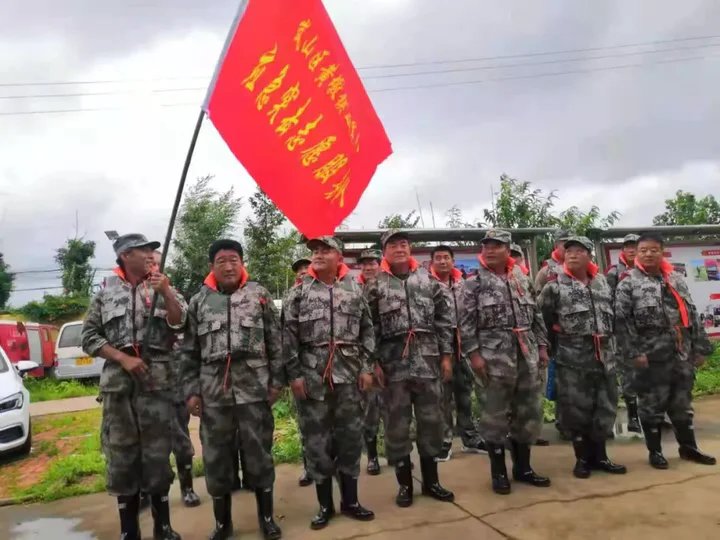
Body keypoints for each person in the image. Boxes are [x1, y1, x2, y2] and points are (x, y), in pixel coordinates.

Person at [81, 233, 186, 540]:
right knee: (122, 457)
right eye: (144, 251)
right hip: (119, 390)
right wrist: (122, 359)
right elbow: (89, 338)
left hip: (156, 386)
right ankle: (129, 530)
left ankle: (163, 526)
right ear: (126, 255)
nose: (151, 256)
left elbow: (181, 323)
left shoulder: (162, 286)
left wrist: (166, 293)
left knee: (157, 455)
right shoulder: (105, 295)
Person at [180, 239, 284, 540]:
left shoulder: (259, 295)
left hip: (255, 390)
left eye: (234, 259)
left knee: (259, 454)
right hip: (214, 393)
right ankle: (223, 523)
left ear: (242, 263)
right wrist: (191, 391)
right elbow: (188, 351)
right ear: (212, 266)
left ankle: (266, 518)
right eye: (222, 260)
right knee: (216, 458)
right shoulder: (199, 301)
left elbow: (276, 342)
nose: (228, 266)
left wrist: (277, 381)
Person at [283, 236, 375, 530]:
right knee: (317, 443)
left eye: (325, 250)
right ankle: (325, 505)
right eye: (315, 251)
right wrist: (294, 374)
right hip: (312, 379)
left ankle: (351, 501)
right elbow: (287, 339)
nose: (318, 255)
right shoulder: (298, 294)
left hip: (349, 377)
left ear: (339, 256)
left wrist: (367, 367)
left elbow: (368, 331)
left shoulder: (355, 290)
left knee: (350, 438)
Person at [364, 230, 455, 508]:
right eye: (393, 244)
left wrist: (446, 356)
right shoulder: (375, 285)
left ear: (410, 248)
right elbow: (368, 328)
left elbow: (444, 320)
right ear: (385, 251)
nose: (399, 248)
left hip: (427, 362)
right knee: (396, 426)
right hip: (392, 368)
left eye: (404, 243)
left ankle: (431, 482)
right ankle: (404, 484)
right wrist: (373, 362)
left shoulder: (428, 280)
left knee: (432, 422)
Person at [460, 229, 551, 495]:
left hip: (526, 355)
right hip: (492, 358)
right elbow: (465, 324)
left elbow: (535, 316)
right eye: (486, 246)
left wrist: (543, 346)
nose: (490, 250)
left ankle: (523, 468)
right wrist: (474, 355)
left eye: (496, 245)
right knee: (494, 416)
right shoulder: (473, 282)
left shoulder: (521, 278)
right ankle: (499, 473)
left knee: (528, 413)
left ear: (508, 249)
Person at [615, 232, 716, 469]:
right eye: (643, 250)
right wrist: (634, 353)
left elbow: (691, 315)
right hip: (650, 356)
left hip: (680, 354)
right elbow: (622, 322)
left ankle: (689, 448)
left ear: (662, 252)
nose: (648, 254)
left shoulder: (676, 279)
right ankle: (656, 452)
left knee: (682, 404)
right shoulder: (628, 283)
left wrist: (699, 348)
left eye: (653, 250)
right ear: (636, 254)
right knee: (651, 406)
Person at [538, 236, 627, 479]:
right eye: (569, 252)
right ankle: (581, 460)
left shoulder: (601, 283)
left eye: (579, 251)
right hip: (572, 360)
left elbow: (614, 319)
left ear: (589, 255)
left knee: (605, 407)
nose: (573, 255)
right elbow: (542, 322)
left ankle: (601, 456)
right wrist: (546, 350)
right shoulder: (554, 286)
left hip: (604, 358)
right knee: (576, 411)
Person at [149, 251, 201, 509]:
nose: (153, 267)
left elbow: (183, 326)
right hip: (142, 383)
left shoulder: (174, 295)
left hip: (173, 379)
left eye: (158, 263)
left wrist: (166, 292)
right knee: (145, 440)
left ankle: (188, 487)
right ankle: (147, 490)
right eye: (149, 263)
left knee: (179, 435)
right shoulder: (128, 296)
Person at [429, 244, 486, 460]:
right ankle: (444, 441)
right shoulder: (426, 285)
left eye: (446, 258)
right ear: (432, 262)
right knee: (442, 397)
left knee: (464, 394)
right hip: (439, 348)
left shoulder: (464, 284)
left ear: (453, 261)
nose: (443, 261)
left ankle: (470, 437)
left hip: (465, 346)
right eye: (438, 258)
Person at [605, 234, 642, 434]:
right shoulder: (614, 273)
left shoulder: (646, 271)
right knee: (628, 372)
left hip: (646, 331)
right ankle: (633, 416)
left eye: (634, 246)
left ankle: (657, 415)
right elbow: (607, 300)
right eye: (627, 246)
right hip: (623, 331)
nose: (630, 249)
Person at [356, 248, 384, 475]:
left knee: (394, 408)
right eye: (364, 264)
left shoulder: (389, 287)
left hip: (392, 357)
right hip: (366, 359)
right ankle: (372, 456)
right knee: (370, 410)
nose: (368, 267)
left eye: (372, 263)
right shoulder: (354, 290)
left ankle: (397, 454)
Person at [287, 257, 314, 488]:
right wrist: (292, 374)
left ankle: (330, 465)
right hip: (302, 369)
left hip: (327, 370)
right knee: (306, 422)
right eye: (300, 270)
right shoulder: (290, 298)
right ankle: (309, 467)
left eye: (307, 268)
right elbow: (285, 339)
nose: (304, 272)